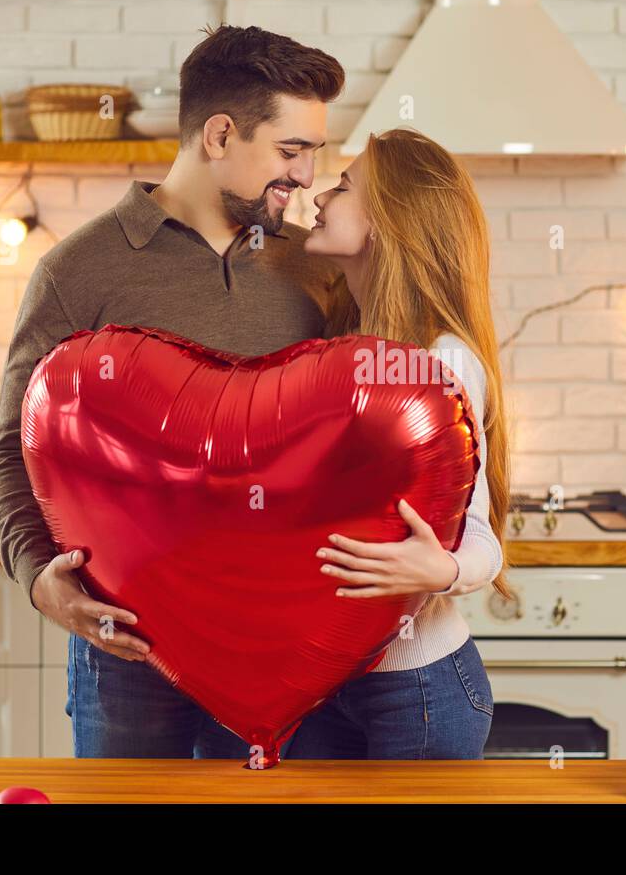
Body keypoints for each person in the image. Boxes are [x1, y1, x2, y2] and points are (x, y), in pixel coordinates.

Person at [0, 24, 347, 759]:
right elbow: (9, 450)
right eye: (291, 151)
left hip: (283, 643)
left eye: (314, 153)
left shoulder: (317, 270)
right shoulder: (75, 271)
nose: (307, 176)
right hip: (127, 649)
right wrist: (36, 580)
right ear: (219, 134)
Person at [196, 127, 512, 761]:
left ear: (390, 220)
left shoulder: (441, 360)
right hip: (322, 685)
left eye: (342, 187)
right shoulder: (341, 341)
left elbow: (480, 535)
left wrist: (442, 570)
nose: (317, 196)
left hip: (417, 687)